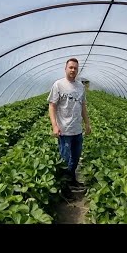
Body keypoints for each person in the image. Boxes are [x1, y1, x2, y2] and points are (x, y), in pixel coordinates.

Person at [48, 58, 91, 195]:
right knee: (65, 159)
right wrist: (55, 125)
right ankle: (64, 189)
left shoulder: (80, 87)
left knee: (76, 158)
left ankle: (71, 180)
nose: (73, 70)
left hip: (77, 130)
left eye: (75, 68)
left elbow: (83, 106)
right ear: (65, 68)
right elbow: (52, 105)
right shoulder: (58, 85)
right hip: (64, 131)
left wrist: (87, 124)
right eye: (71, 67)